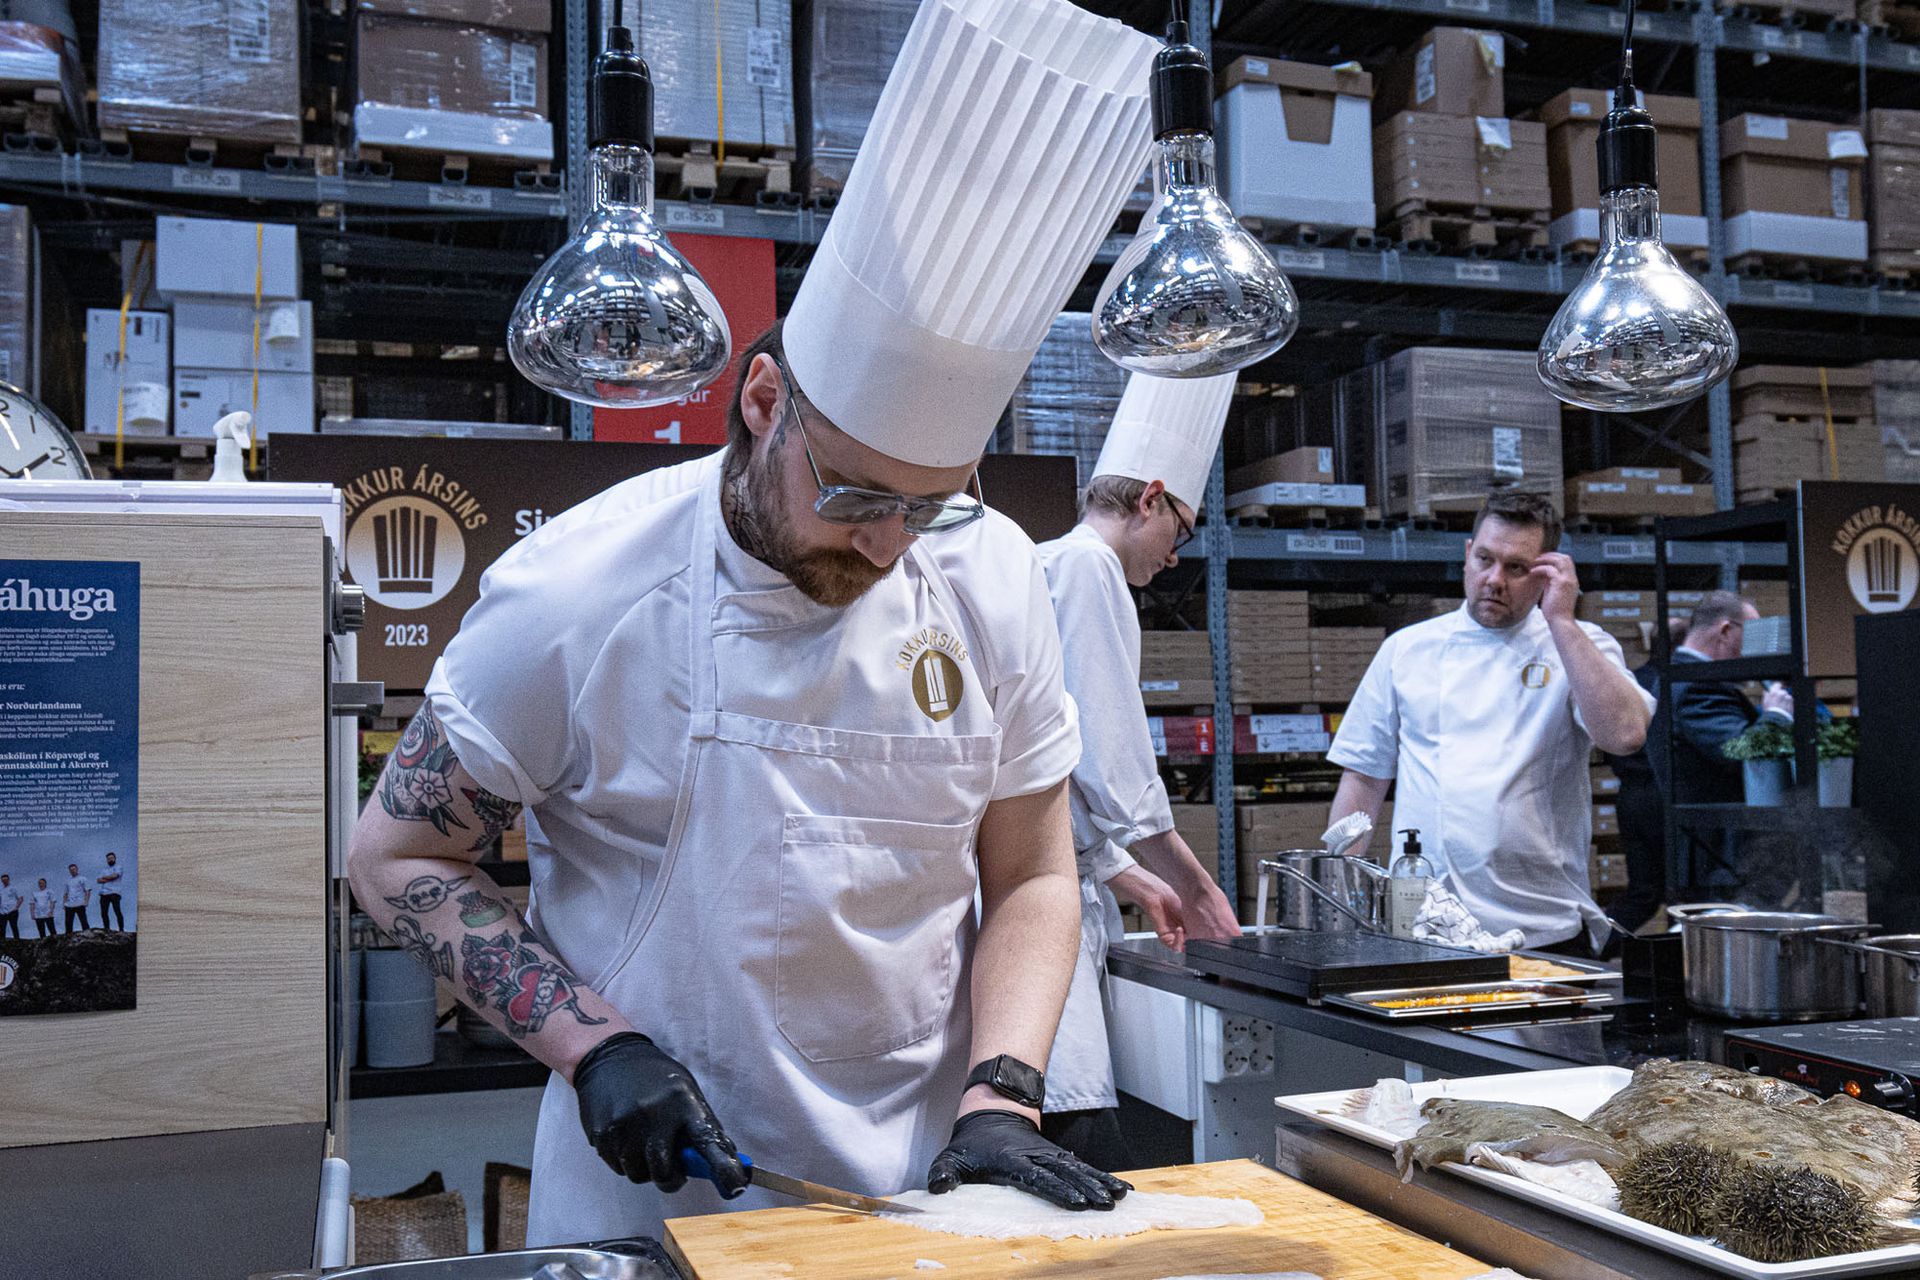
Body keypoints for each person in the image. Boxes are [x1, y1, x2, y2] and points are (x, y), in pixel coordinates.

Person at [347, 0, 1160, 1246]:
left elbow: (1034, 870)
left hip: (927, 1201)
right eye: (858, 496)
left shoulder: (991, 571)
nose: (888, 546)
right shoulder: (575, 595)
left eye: (927, 505)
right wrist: (593, 1044)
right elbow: (395, 855)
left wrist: (1003, 1096)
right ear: (763, 401)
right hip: (662, 1205)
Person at [1034, 373, 1242, 1170]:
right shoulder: (1090, 568)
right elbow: (1112, 766)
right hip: (1042, 898)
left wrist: (1132, 876)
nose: (1174, 556)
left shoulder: (1051, 561)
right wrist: (1199, 888)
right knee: (1077, 1133)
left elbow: (1056, 768)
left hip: (1053, 878)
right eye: (1180, 531)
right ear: (1150, 498)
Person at [1325, 492, 1656, 954]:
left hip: (1543, 929)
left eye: (1517, 568)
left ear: (1548, 573)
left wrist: (1561, 620)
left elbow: (1625, 735)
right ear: (1467, 554)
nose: (1495, 580)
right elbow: (1364, 777)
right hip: (1424, 926)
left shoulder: (1578, 645)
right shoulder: (1407, 649)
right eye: (1485, 559)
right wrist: (1337, 902)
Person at [1642, 590, 1822, 898]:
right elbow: (1737, 750)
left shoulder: (1687, 679)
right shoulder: (1695, 687)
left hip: (1719, 855)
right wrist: (1776, 715)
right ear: (1725, 631)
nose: (1755, 650)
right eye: (1751, 635)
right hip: (1721, 855)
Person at [97, 852, 127, 932]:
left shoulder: (118, 867)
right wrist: (110, 878)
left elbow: (115, 876)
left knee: (117, 911)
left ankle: (121, 929)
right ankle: (107, 929)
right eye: (108, 858)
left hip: (115, 892)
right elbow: (98, 880)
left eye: (111, 858)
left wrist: (104, 878)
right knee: (104, 913)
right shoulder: (104, 870)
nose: (110, 860)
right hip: (104, 893)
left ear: (115, 858)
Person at [62, 862, 91, 933]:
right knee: (68, 923)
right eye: (71, 870)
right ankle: (68, 936)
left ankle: (87, 935)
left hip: (80, 903)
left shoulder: (83, 879)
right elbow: (65, 893)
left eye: (74, 869)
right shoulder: (68, 881)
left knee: (83, 921)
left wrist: (86, 901)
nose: (72, 871)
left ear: (77, 869)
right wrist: (64, 904)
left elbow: (87, 890)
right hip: (69, 904)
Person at [0, 873, 20, 940]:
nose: (4, 881)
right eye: (3, 880)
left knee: (14, 926)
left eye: (6, 880)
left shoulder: (13, 888)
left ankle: (17, 941)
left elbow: (20, 898)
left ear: (8, 880)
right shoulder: (1, 890)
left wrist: (16, 907)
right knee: (2, 928)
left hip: (12, 911)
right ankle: (2, 942)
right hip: (2, 912)